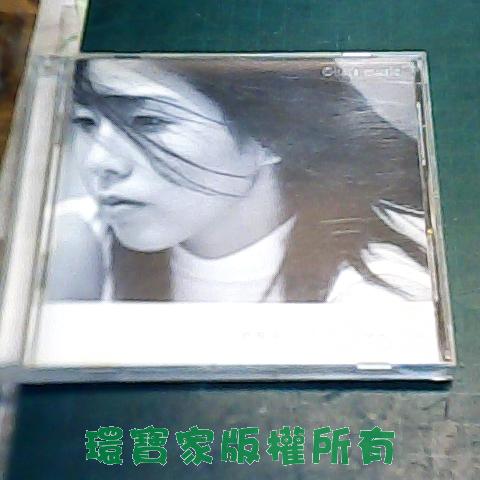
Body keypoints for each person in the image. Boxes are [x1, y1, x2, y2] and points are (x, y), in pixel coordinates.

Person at [45, 57, 431, 303]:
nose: (99, 162)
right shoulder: (74, 242)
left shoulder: (381, 286)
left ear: (273, 136)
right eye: (86, 123)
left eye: (149, 122)